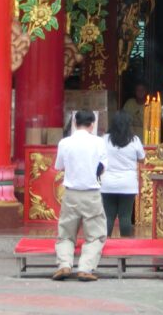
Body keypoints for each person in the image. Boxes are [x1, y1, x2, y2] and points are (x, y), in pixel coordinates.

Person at [52, 109, 108, 282]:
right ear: (93, 124)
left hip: (71, 193)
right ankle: (85, 267)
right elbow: (103, 167)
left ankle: (64, 265)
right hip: (91, 193)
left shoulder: (65, 142)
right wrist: (96, 180)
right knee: (96, 235)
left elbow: (58, 166)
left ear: (75, 124)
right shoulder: (99, 142)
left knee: (66, 234)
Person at [100, 111, 145, 238]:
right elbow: (142, 158)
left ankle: (103, 243)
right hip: (127, 183)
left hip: (107, 182)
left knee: (108, 216)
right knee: (125, 216)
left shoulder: (105, 139)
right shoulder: (134, 140)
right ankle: (125, 245)